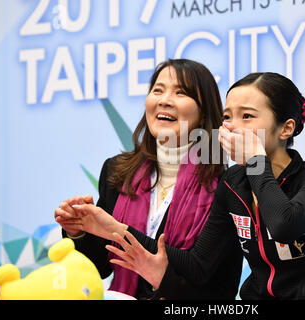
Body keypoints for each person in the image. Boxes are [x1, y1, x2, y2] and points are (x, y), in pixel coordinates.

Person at [72, 72, 305, 299]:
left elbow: (284, 225)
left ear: (286, 128)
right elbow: (197, 265)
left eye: (247, 116)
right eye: (228, 117)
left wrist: (255, 161)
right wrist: (112, 228)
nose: (230, 126)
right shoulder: (234, 183)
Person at [54, 59, 243, 300]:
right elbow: (100, 268)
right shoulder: (118, 172)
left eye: (181, 92)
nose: (165, 100)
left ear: (203, 111)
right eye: (158, 90)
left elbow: (218, 287)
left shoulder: (225, 187)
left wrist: (119, 232)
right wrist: (77, 232)